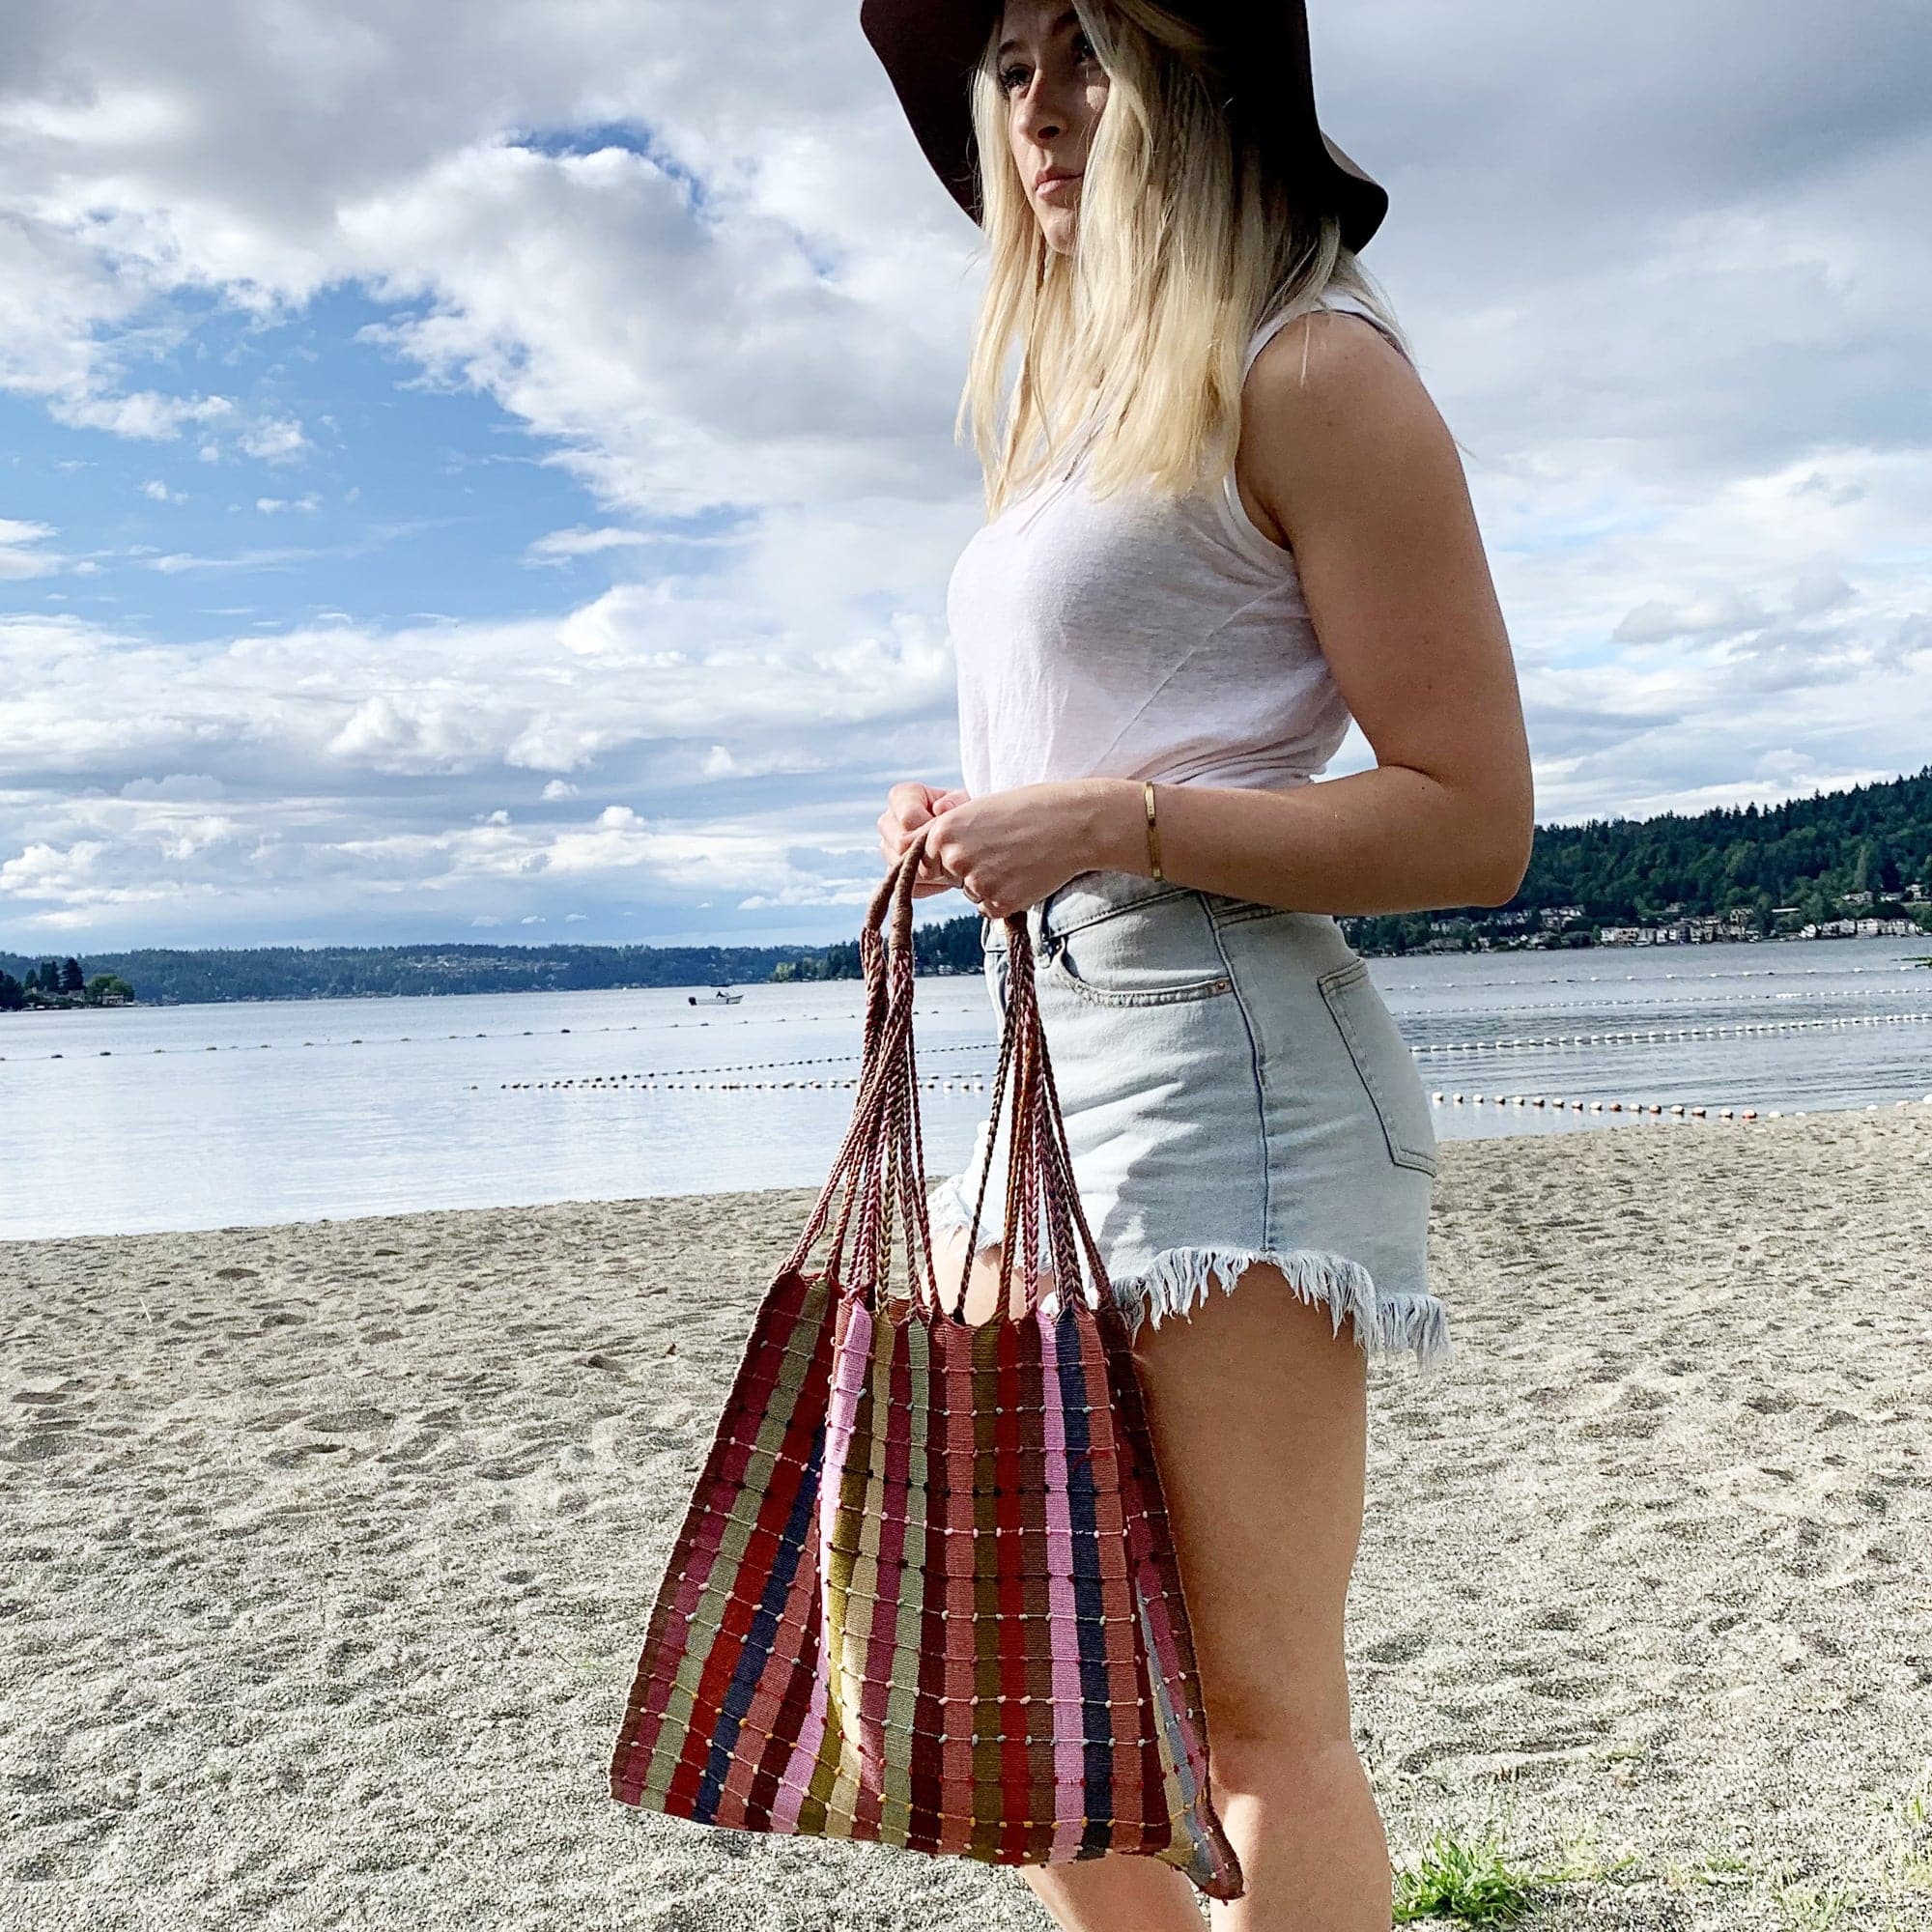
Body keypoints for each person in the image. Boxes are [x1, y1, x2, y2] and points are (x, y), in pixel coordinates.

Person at [863, 2, 1534, 1927]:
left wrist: (1111, 822)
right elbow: (1104, 736)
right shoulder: (1079, 410)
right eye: (1008, 65)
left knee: (1249, 1721)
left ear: (1202, 77)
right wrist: (980, 813)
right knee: (1047, 1709)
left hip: (1225, 1059)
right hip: (1045, 1058)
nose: (1040, 109)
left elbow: (1469, 820)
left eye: (1090, 52)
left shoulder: (1307, 365)